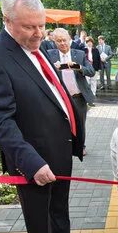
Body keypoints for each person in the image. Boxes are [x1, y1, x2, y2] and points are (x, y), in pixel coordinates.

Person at [0, 0, 92, 233]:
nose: (39, 33)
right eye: (29, 26)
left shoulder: (37, 49)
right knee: (38, 209)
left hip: (60, 145)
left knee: (60, 199)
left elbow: (51, 93)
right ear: (7, 20)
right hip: (33, 155)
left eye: (42, 25)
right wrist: (30, 161)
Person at [47, 27, 96, 156]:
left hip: (78, 97)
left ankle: (81, 146)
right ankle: (65, 147)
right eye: (58, 41)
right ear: (54, 42)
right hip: (60, 98)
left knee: (80, 123)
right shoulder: (49, 55)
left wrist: (78, 67)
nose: (62, 43)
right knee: (61, 124)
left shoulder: (79, 54)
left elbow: (91, 72)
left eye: (64, 40)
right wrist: (53, 68)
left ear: (69, 39)